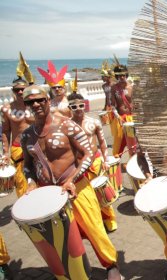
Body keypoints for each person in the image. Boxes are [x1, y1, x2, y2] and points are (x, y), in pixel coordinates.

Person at [20, 85, 122, 280]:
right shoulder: (27, 135)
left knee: (95, 230)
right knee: (63, 237)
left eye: (40, 100)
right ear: (27, 105)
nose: (36, 104)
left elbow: (88, 154)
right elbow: (27, 166)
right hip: (49, 193)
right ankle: (76, 271)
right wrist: (32, 182)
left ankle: (111, 264)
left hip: (78, 188)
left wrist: (71, 180)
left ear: (48, 101)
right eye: (31, 102)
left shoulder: (67, 125)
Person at [68, 93, 118, 232]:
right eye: (74, 106)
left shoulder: (94, 122)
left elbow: (102, 142)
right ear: (69, 108)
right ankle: (96, 222)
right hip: (78, 166)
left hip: (95, 161)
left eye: (81, 105)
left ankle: (110, 219)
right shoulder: (67, 126)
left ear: (85, 105)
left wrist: (105, 159)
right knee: (87, 197)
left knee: (101, 191)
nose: (78, 109)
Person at [1, 78, 34, 197]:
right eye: (17, 90)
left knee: (42, 179)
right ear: (12, 91)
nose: (20, 92)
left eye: (23, 89)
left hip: (37, 147)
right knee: (21, 182)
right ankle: (25, 210)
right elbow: (5, 131)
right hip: (18, 149)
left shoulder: (36, 105)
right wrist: (5, 152)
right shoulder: (7, 109)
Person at [109, 64, 134, 158]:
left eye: (123, 75)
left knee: (132, 141)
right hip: (120, 117)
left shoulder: (132, 87)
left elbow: (137, 103)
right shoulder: (114, 88)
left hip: (131, 118)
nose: (122, 77)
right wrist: (117, 115)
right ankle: (116, 162)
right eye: (119, 75)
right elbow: (112, 104)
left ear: (126, 75)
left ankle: (134, 161)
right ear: (117, 76)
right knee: (119, 140)